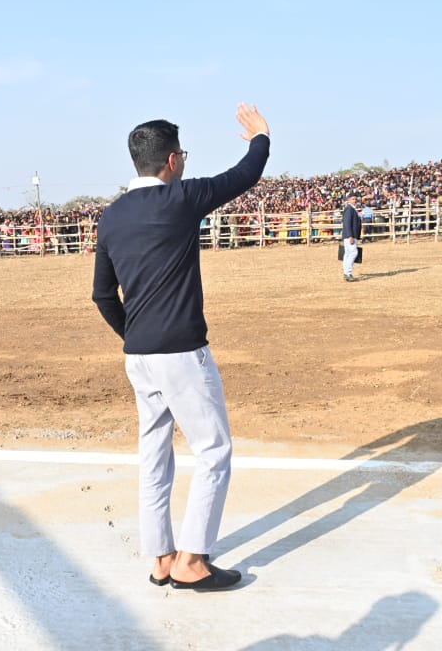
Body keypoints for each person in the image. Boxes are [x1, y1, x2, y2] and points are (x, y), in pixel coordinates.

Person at [92, 103, 270, 592]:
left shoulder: (110, 218)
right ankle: (192, 561)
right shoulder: (182, 198)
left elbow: (102, 295)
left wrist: (133, 334)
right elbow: (245, 174)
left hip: (139, 356)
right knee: (213, 450)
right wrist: (261, 136)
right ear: (172, 161)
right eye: (183, 155)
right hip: (180, 352)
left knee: (154, 455)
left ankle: (161, 558)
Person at [341, 193, 362, 282]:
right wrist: (350, 235)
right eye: (353, 199)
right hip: (350, 235)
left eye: (355, 199)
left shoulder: (351, 209)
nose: (355, 201)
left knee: (348, 253)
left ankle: (346, 273)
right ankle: (348, 273)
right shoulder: (349, 209)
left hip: (351, 234)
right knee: (353, 252)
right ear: (348, 200)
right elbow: (347, 223)